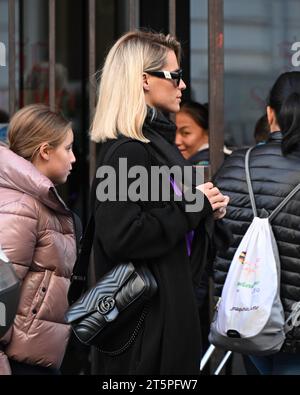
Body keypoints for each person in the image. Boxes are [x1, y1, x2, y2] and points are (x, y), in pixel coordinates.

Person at [89, 30, 230, 375]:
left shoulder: (153, 146)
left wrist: (206, 209)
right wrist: (193, 208)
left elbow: (170, 221)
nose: (183, 86)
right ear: (144, 80)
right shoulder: (130, 150)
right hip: (145, 332)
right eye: (175, 76)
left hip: (162, 316)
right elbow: (123, 236)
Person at [213, 71, 300, 375]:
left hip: (246, 318)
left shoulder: (237, 163)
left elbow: (217, 236)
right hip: (295, 325)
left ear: (269, 113)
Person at [0, 104, 77, 375]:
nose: (74, 158)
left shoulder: (41, 203)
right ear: (45, 151)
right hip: (18, 363)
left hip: (34, 357)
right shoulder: (21, 207)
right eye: (68, 148)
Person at [175, 101, 232, 166]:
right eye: (173, 133)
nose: (177, 141)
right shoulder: (225, 158)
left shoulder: (204, 164)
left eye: (186, 133)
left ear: (208, 133)